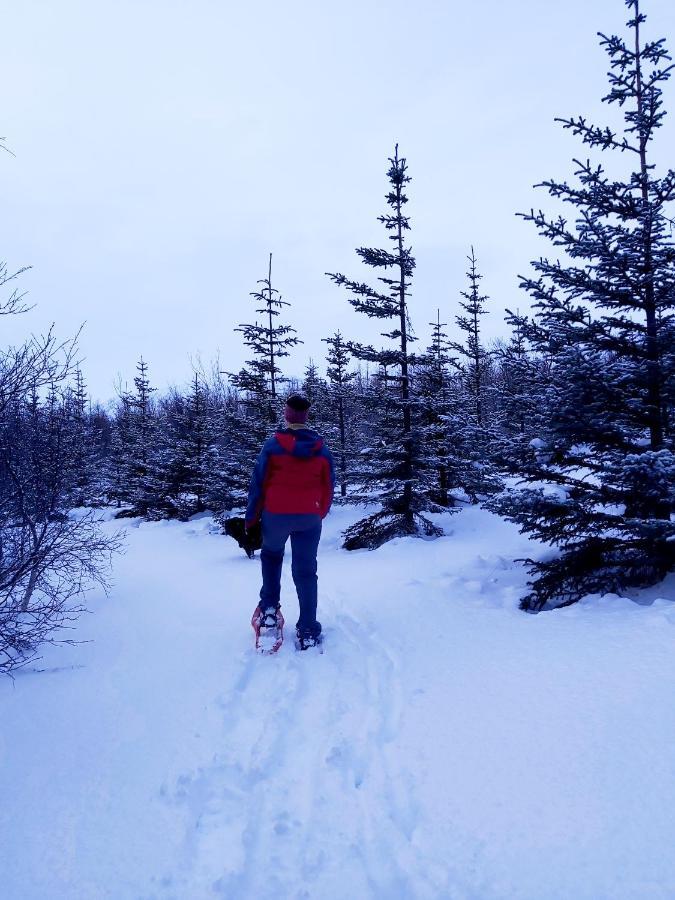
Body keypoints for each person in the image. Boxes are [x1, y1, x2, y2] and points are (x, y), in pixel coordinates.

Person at [245, 393, 335, 647]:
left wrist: (252, 518)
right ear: (306, 417)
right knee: (306, 571)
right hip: (309, 517)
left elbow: (258, 484)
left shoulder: (273, 445)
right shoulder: (321, 448)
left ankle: (270, 611)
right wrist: (319, 512)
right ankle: (307, 628)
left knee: (272, 557)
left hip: (275, 515)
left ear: (286, 415)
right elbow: (329, 484)